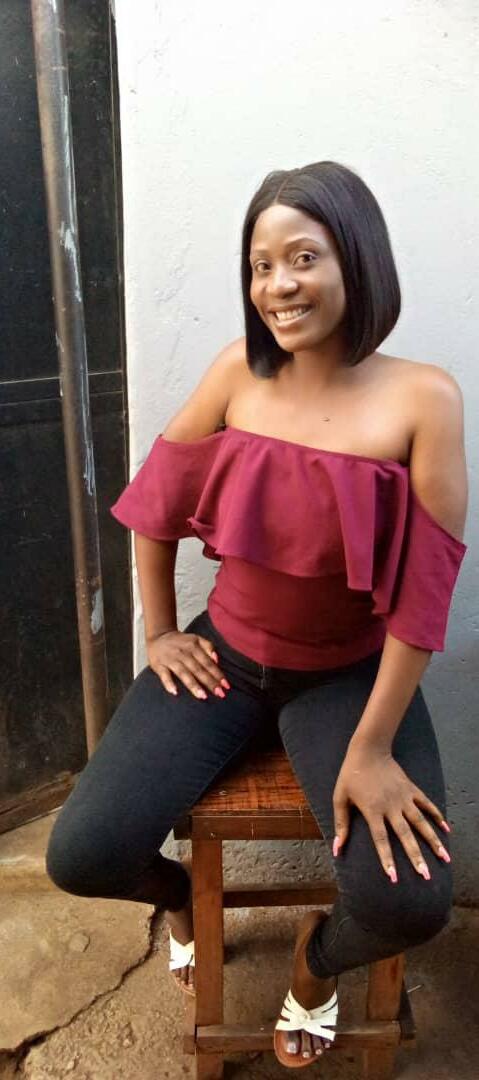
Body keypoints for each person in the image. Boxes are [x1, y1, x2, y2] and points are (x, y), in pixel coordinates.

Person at [46, 161, 468, 1068]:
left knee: (409, 904)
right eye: (260, 264)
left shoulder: (424, 398)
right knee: (83, 855)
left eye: (302, 257)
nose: (277, 284)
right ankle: (178, 905)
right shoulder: (236, 373)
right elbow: (155, 506)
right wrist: (160, 632)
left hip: (348, 678)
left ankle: (314, 966)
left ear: (356, 257)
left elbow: (422, 595)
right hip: (225, 661)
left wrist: (371, 746)